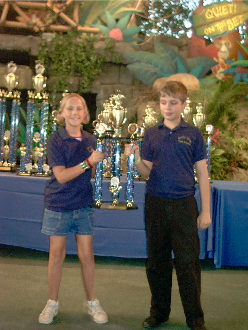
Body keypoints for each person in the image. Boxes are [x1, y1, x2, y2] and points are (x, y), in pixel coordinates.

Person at [125, 81, 211, 330]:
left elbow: (203, 174)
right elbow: (146, 172)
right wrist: (135, 158)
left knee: (188, 264)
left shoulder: (193, 134)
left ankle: (195, 318)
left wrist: (205, 210)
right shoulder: (151, 134)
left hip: (184, 205)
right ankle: (159, 313)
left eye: (173, 103)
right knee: (156, 262)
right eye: (164, 102)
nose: (168, 107)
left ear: (183, 105)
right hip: (156, 205)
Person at [39, 93, 108, 325]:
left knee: (87, 256)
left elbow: (94, 174)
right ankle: (52, 303)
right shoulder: (55, 140)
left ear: (85, 114)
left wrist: (119, 159)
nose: (75, 113)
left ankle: (92, 303)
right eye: (70, 109)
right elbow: (60, 176)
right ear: (61, 114)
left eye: (79, 109)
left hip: (83, 205)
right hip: (58, 204)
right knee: (56, 255)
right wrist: (88, 162)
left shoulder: (91, 139)